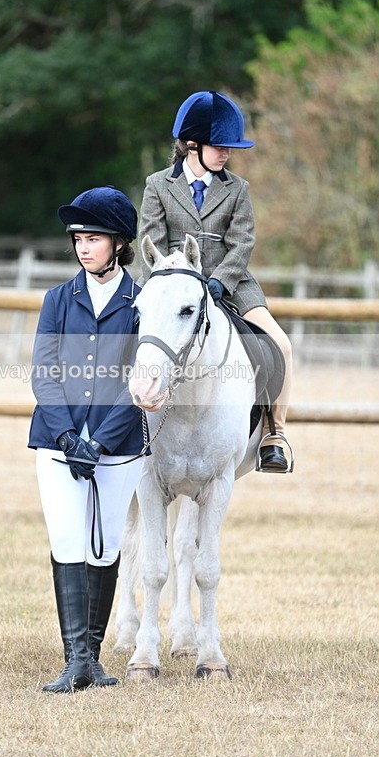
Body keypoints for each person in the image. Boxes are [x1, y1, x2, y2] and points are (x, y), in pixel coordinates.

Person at [28, 186, 147, 693]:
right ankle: (74, 660)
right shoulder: (58, 299)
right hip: (57, 445)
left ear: (118, 243)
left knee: (106, 547)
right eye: (78, 238)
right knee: (67, 541)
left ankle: (94, 660)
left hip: (118, 449)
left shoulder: (142, 301)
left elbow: (139, 379)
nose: (83, 247)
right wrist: (69, 436)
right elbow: (43, 371)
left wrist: (98, 442)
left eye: (93, 238)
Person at [138, 90, 293, 472]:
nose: (226, 154)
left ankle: (274, 433)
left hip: (232, 282)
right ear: (192, 145)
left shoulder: (237, 189)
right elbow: (152, 247)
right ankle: (123, 423)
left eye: (229, 149)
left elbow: (242, 244)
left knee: (282, 345)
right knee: (133, 341)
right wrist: (177, 284)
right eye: (219, 147)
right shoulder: (158, 185)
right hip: (172, 287)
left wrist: (220, 282)